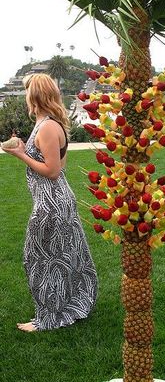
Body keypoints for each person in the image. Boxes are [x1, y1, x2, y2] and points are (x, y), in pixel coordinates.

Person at [2, 73, 98, 332]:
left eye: (26, 91)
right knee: (64, 255)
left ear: (34, 95)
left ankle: (48, 318)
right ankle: (70, 303)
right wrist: (25, 148)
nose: (24, 96)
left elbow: (52, 171)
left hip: (50, 204)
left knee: (39, 259)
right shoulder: (50, 123)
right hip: (58, 200)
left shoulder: (46, 127)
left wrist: (21, 154)